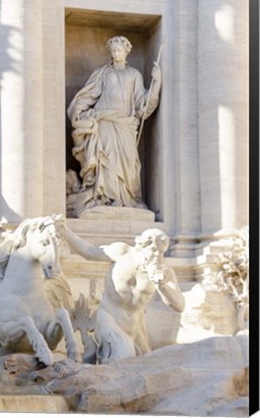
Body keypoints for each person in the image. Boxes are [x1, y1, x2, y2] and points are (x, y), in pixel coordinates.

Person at [64, 225, 185, 362]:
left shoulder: (164, 271)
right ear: (141, 246)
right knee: (124, 356)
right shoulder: (122, 252)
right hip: (109, 317)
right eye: (153, 250)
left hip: (136, 328)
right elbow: (89, 251)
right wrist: (64, 231)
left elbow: (179, 305)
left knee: (141, 367)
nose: (157, 256)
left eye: (161, 252)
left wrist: (161, 286)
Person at [67, 36, 162, 209]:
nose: (116, 53)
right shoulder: (104, 73)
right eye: (113, 51)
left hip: (125, 124)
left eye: (119, 50)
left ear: (126, 52)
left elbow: (142, 104)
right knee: (106, 161)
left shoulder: (134, 75)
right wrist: (78, 111)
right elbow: (89, 95)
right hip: (104, 122)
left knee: (129, 163)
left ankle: (128, 197)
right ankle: (106, 198)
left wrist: (156, 83)